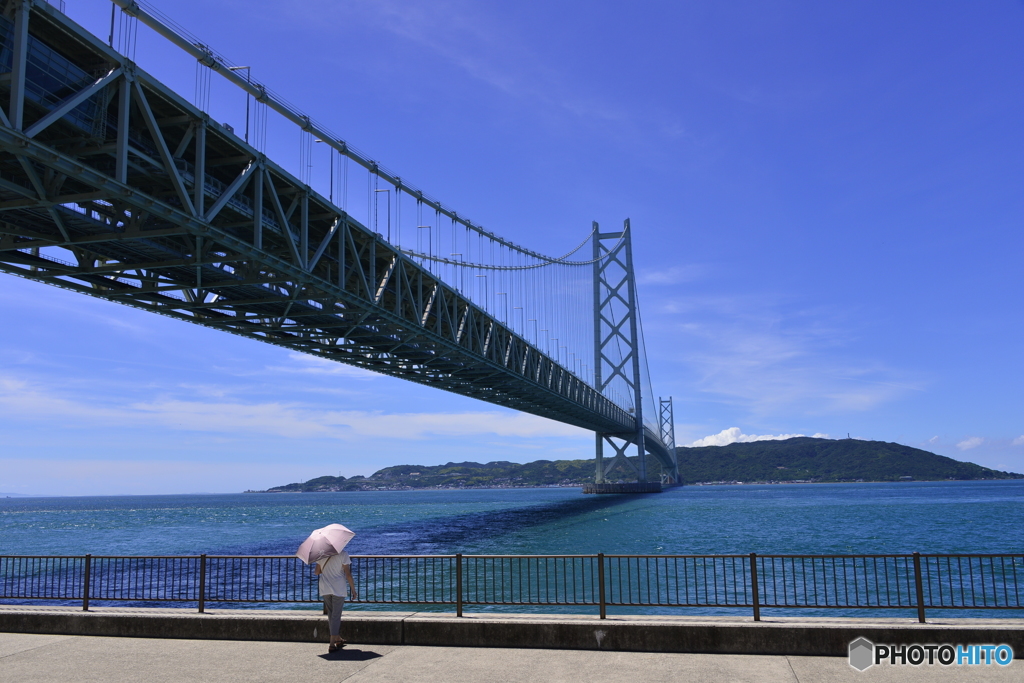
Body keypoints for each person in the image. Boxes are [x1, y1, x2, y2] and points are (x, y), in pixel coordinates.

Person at [314, 551, 357, 652]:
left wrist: (326, 569)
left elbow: (316, 572)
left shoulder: (321, 554)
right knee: (336, 616)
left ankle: (338, 639)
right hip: (338, 587)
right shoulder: (343, 554)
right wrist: (353, 590)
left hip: (325, 586)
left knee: (331, 614)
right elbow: (348, 574)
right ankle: (332, 643)